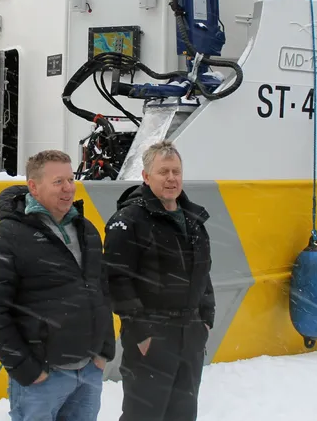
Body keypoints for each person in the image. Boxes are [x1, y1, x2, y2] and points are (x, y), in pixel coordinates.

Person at [0, 149, 115, 421]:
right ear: (33, 187)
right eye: (58, 182)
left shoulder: (86, 230)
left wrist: (104, 350)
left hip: (88, 372)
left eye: (71, 180)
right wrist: (28, 370)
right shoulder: (6, 237)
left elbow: (101, 291)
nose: (68, 189)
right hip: (43, 378)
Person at [103, 140, 214, 421]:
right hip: (151, 335)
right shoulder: (129, 221)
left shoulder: (193, 220)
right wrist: (141, 332)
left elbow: (203, 273)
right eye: (163, 172)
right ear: (145, 176)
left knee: (183, 413)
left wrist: (205, 318)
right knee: (144, 415)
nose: (171, 178)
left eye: (176, 171)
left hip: (190, 335)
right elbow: (117, 279)